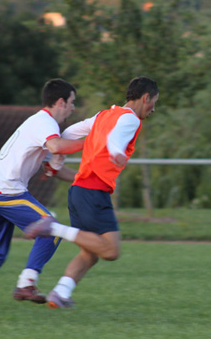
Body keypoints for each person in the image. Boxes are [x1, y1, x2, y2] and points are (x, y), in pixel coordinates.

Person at [0, 79, 85, 305]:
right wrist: (94, 143)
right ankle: (26, 284)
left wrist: (86, 179)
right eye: (72, 102)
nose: (73, 107)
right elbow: (57, 147)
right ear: (61, 102)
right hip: (4, 191)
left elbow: (54, 168)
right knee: (51, 229)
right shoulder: (45, 122)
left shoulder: (42, 124)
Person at [25, 76, 159, 309]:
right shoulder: (131, 119)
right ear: (145, 97)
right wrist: (116, 151)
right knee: (111, 250)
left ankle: (60, 293)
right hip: (93, 191)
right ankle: (53, 228)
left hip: (79, 190)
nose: (153, 109)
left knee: (90, 253)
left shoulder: (103, 115)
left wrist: (56, 163)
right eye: (154, 103)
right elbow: (115, 138)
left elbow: (69, 133)